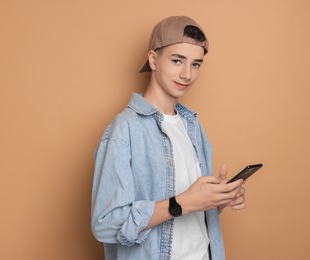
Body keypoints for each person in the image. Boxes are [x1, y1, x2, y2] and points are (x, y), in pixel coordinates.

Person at [91, 16, 246, 260]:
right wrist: (180, 203)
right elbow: (106, 224)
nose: (187, 74)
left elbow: (194, 209)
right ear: (153, 60)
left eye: (196, 64)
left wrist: (219, 200)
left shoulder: (192, 125)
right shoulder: (125, 129)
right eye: (177, 61)